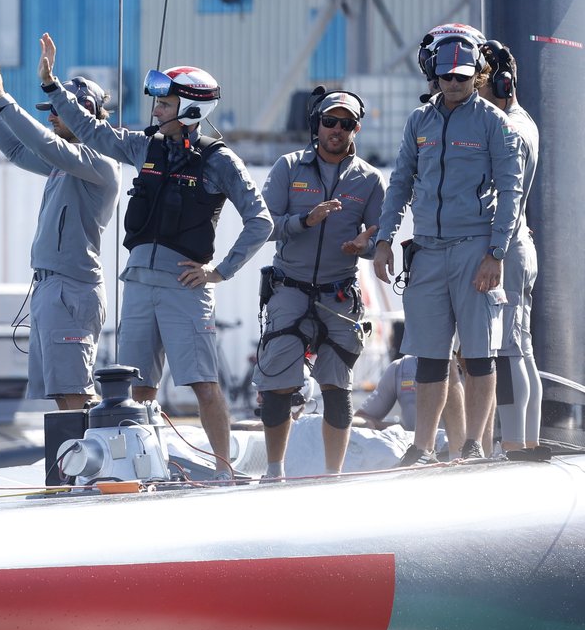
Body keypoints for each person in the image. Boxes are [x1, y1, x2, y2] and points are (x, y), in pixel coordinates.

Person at [39, 34, 271, 473]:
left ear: (190, 109)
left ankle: (224, 473)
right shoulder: (144, 147)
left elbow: (260, 220)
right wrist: (52, 87)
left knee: (204, 384)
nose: (156, 110)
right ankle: (144, 471)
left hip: (185, 288)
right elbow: (91, 130)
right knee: (136, 391)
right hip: (138, 286)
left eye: (165, 104)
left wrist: (219, 272)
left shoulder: (219, 161)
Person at [371, 25, 523, 466]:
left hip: (476, 249)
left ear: (476, 75)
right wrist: (383, 241)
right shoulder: (418, 121)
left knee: (479, 354)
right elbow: (399, 182)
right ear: (433, 76)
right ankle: (422, 447)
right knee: (429, 356)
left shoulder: (495, 123)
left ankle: (475, 444)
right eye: (446, 76)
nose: (453, 83)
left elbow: (512, 192)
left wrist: (496, 253)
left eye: (462, 76)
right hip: (428, 251)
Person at [0, 53, 120, 411]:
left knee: (74, 392)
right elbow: (15, 149)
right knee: (62, 392)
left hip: (71, 288)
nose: (51, 116)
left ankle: (91, 463)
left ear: (83, 113)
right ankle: (78, 463)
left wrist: (3, 100)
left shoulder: (98, 161)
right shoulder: (66, 161)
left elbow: (41, 144)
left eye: (58, 109)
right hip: (52, 287)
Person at [256, 89, 384, 478]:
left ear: (355, 128)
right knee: (279, 383)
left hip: (339, 294)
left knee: (337, 386)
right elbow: (264, 226)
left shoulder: (370, 179)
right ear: (318, 124)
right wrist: (305, 221)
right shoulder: (288, 167)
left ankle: (333, 478)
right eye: (330, 121)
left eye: (346, 124)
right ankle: (274, 471)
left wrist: (365, 244)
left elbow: (379, 236)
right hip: (289, 289)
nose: (337, 130)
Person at [475, 39, 545, 461]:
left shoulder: (509, 128)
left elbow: (506, 195)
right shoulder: (525, 121)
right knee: (522, 347)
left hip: (507, 248)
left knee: (508, 350)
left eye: (480, 95)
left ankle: (516, 447)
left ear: (503, 85)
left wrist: (494, 252)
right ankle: (526, 442)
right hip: (520, 243)